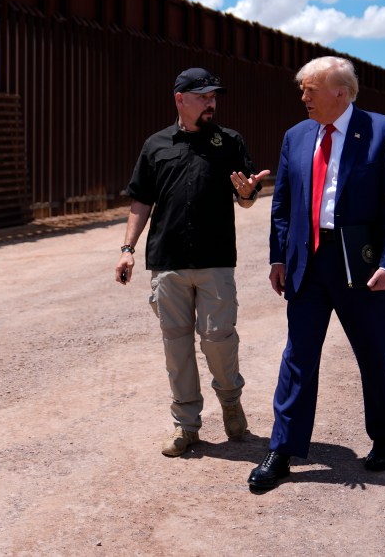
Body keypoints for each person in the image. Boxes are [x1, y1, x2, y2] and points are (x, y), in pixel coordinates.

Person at [248, 56, 385, 491]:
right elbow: (282, 204)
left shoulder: (384, 132)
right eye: (302, 89)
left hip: (361, 264)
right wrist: (278, 258)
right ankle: (282, 449)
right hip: (309, 262)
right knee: (298, 357)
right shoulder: (296, 136)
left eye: (310, 89)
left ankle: (384, 439)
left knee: (373, 355)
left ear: (340, 93)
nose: (302, 97)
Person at [116, 67, 270, 457]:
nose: (211, 103)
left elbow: (246, 199)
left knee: (219, 340)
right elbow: (141, 201)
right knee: (177, 347)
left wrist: (249, 194)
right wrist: (128, 249)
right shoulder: (156, 146)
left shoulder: (229, 142)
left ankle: (231, 402)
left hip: (216, 260)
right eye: (203, 96)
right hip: (167, 262)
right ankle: (186, 426)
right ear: (180, 98)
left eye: (214, 97)